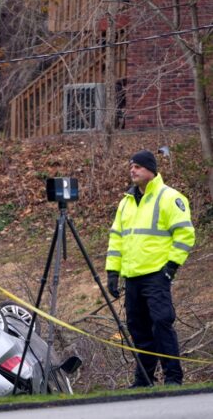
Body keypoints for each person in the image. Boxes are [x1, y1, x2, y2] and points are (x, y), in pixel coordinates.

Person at [105, 150, 195, 387]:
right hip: (132, 276)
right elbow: (116, 240)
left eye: (138, 166)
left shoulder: (170, 197)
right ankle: (144, 380)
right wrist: (112, 273)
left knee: (161, 323)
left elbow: (185, 235)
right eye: (131, 166)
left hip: (156, 275)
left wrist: (171, 268)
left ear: (151, 170)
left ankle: (173, 378)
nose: (132, 170)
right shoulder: (125, 202)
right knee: (139, 330)